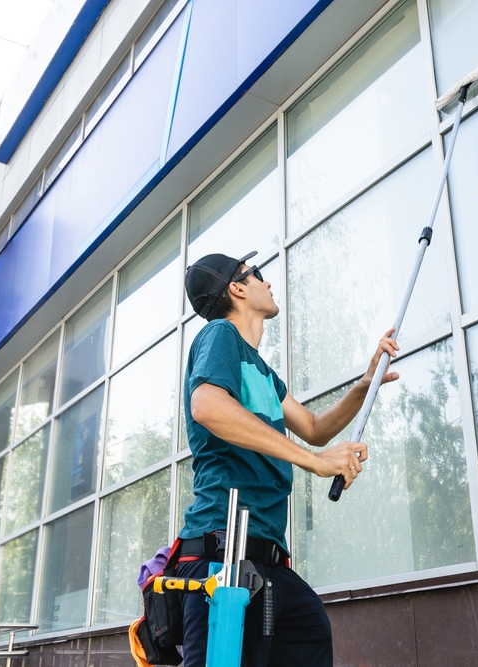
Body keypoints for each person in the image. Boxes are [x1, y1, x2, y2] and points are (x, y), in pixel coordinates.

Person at [177, 251, 399, 667]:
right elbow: (206, 404)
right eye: (258, 274)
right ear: (237, 288)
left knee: (308, 627)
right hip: (222, 555)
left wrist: (366, 383)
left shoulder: (260, 370)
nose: (269, 282)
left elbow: (314, 426)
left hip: (268, 560)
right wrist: (314, 462)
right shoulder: (219, 336)